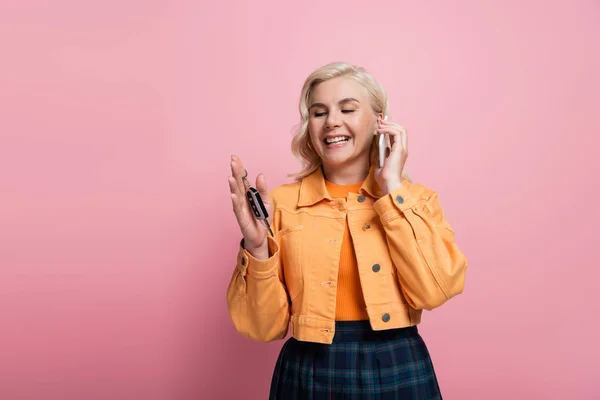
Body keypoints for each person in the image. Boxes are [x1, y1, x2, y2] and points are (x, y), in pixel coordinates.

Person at [226, 61, 467, 399]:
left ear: (379, 122)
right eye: (318, 112)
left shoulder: (415, 200)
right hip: (308, 368)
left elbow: (436, 291)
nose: (332, 121)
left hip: (397, 362)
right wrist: (257, 247)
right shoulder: (280, 205)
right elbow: (263, 326)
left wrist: (393, 188)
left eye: (348, 108)